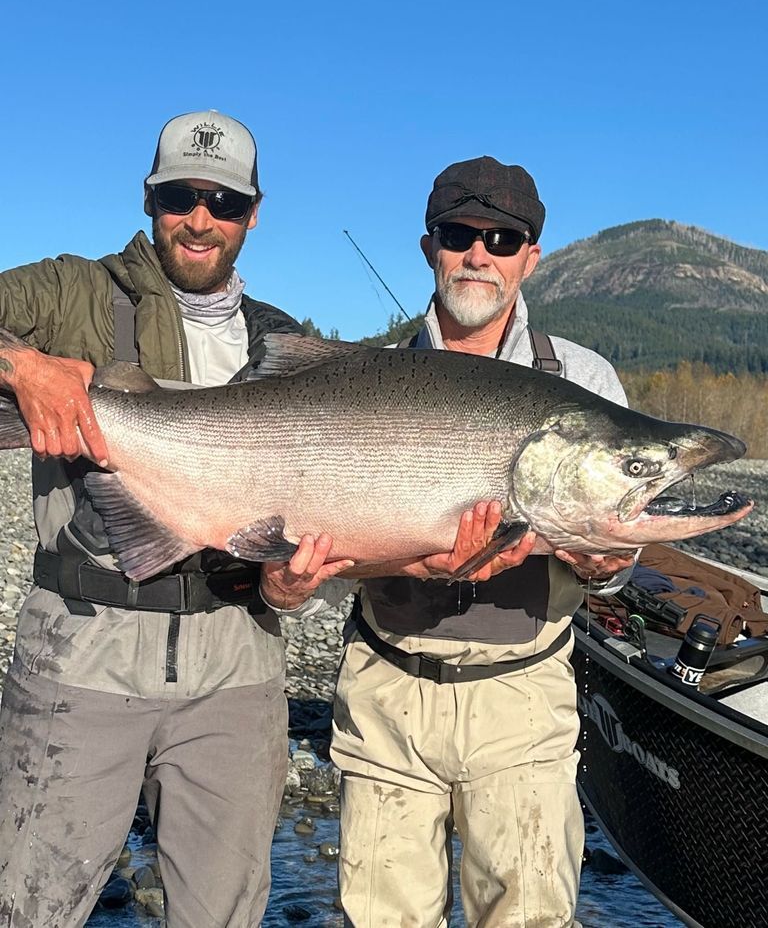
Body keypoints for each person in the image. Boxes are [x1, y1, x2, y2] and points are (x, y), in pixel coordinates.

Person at [0, 110, 348, 928]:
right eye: (180, 196)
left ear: (252, 213)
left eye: (222, 201)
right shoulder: (73, 292)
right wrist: (21, 366)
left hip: (238, 668)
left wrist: (292, 589)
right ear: (150, 200)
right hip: (81, 657)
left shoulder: (284, 342)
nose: (200, 219)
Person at [327, 157, 638, 927]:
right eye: (459, 234)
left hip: (523, 694)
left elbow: (618, 556)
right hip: (385, 689)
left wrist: (606, 565)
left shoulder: (584, 380)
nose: (479, 254)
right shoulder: (368, 376)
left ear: (531, 256)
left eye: (503, 238)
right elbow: (327, 552)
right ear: (429, 246)